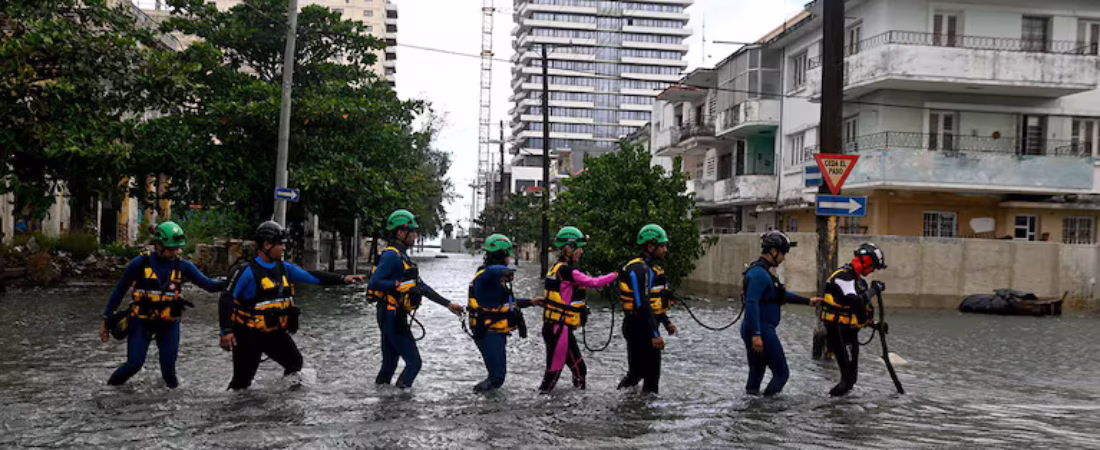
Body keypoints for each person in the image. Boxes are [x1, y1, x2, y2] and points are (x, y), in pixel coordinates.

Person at [220, 221, 366, 390]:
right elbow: (226, 299)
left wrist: (342, 279)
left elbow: (312, 277)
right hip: (248, 335)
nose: (284, 248)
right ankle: (231, 414)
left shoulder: (285, 268)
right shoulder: (245, 271)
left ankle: (285, 406)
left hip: (274, 333)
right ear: (266, 244)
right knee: (241, 383)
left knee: (295, 364)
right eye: (280, 244)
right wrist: (226, 332)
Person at [99, 221, 226, 388]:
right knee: (134, 364)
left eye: (177, 249)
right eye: (170, 249)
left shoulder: (184, 267)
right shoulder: (139, 264)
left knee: (168, 372)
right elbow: (120, 290)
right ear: (158, 245)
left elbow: (209, 285)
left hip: (169, 323)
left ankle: (174, 406)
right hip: (141, 321)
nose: (174, 253)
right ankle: (107, 390)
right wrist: (106, 319)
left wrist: (232, 280)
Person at [367, 209, 463, 389]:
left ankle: (382, 405)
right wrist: (396, 286)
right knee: (414, 363)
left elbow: (421, 286)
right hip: (391, 316)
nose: (415, 236)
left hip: (392, 314)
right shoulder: (391, 256)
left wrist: (448, 304)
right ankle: (401, 404)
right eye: (412, 232)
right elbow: (374, 283)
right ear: (400, 232)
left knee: (389, 365)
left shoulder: (402, 256)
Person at [740, 230, 823, 396]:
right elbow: (751, 303)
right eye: (783, 253)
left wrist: (807, 301)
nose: (784, 258)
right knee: (782, 373)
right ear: (774, 252)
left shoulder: (763, 273)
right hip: (761, 329)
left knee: (757, 371)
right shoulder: (759, 274)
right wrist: (757, 335)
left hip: (757, 327)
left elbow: (778, 295)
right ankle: (769, 408)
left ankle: (752, 411)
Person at [538, 226, 617, 392]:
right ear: (570, 248)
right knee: (553, 374)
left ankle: (577, 407)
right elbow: (594, 282)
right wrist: (616, 275)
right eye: (579, 249)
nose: (581, 252)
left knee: (579, 369)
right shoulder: (566, 271)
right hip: (558, 329)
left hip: (557, 327)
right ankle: (540, 410)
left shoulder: (556, 268)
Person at [467, 234, 542, 392]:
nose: (510, 257)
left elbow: (505, 302)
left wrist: (531, 302)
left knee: (497, 376)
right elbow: (494, 271)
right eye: (508, 254)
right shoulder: (486, 274)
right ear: (501, 255)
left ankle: (489, 407)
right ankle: (474, 402)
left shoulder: (496, 278)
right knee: (496, 377)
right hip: (487, 330)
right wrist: (505, 271)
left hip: (494, 329)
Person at [616, 224, 678, 394]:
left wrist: (665, 322)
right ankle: (646, 416)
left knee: (638, 374)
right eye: (662, 246)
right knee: (648, 376)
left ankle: (633, 410)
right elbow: (642, 302)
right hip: (638, 326)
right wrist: (655, 334)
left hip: (642, 324)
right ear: (650, 247)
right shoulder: (639, 269)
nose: (665, 250)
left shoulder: (649, 268)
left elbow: (653, 302)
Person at [821, 242, 887, 397]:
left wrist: (874, 324)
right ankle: (828, 408)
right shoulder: (843, 276)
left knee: (852, 379)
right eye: (873, 267)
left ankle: (844, 411)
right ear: (866, 261)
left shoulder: (858, 281)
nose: (871, 272)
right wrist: (874, 290)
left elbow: (858, 311)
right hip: (838, 331)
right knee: (846, 380)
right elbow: (855, 301)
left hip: (850, 332)